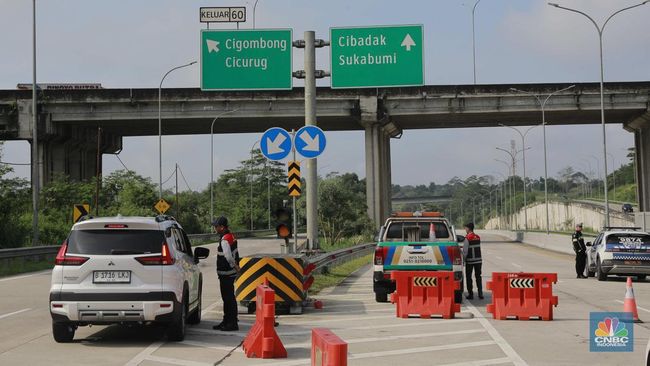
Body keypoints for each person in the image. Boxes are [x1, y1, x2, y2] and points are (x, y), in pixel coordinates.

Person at [212, 216, 240, 331]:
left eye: (216, 227)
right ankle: (227, 321)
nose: (215, 229)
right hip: (229, 273)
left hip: (226, 273)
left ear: (222, 227)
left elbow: (228, 256)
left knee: (228, 299)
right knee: (229, 298)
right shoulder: (231, 236)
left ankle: (231, 323)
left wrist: (235, 266)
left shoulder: (224, 240)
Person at [463, 223, 483, 300]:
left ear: (468, 228)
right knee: (478, 277)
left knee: (469, 277)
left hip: (470, 261)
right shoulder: (477, 237)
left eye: (466, 228)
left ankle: (470, 294)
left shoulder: (467, 238)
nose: (465, 229)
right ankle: (480, 293)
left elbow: (465, 251)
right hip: (478, 261)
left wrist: (464, 260)